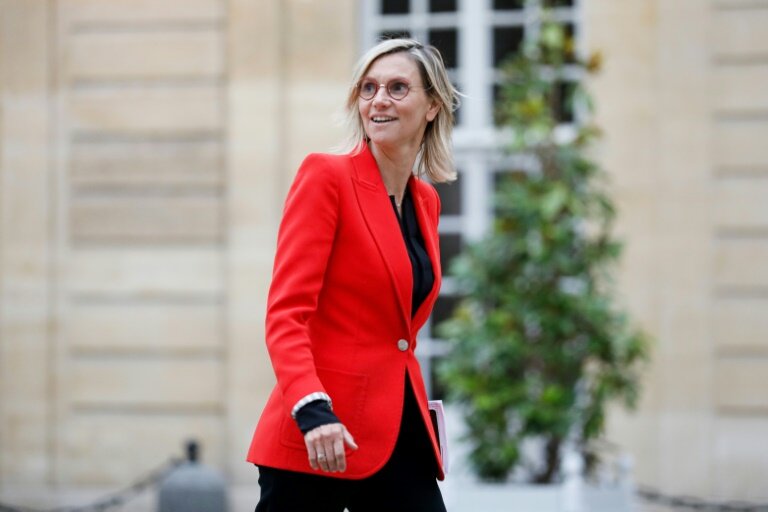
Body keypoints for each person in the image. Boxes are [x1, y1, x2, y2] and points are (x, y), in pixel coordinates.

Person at [246, 38, 459, 512]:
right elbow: (287, 313)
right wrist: (310, 407)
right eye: (369, 88)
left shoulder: (426, 201)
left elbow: (398, 333)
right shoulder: (326, 177)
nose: (379, 100)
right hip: (320, 436)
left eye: (398, 88)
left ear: (432, 106)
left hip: (399, 433)